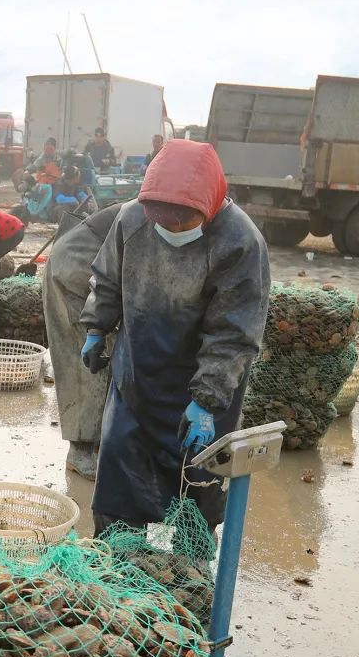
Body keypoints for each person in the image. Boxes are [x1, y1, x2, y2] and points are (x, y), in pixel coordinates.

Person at [79, 139, 269, 534]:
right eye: (162, 223)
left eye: (182, 224)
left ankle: (191, 560)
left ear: (208, 206)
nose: (171, 230)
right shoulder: (132, 219)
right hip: (137, 375)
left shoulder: (239, 242)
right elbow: (107, 278)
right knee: (120, 471)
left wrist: (207, 399)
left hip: (203, 383)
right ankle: (118, 555)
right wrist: (97, 327)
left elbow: (234, 334)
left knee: (198, 482)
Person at [43, 202, 120, 478]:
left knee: (105, 357)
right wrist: (97, 329)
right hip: (77, 267)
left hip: (94, 265)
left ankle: (100, 443)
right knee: (87, 363)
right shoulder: (149, 219)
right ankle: (81, 450)